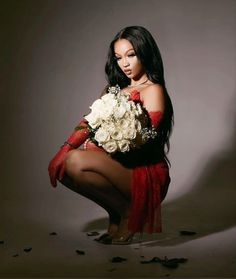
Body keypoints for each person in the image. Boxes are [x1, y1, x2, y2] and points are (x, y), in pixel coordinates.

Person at [48, 26, 174, 245]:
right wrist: (64, 148)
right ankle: (120, 211)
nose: (124, 63)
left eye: (131, 55)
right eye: (118, 58)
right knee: (64, 165)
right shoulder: (113, 90)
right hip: (117, 165)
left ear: (145, 53)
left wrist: (114, 141)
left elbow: (148, 136)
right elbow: (88, 122)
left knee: (75, 160)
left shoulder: (153, 89)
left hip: (144, 171)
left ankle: (128, 214)